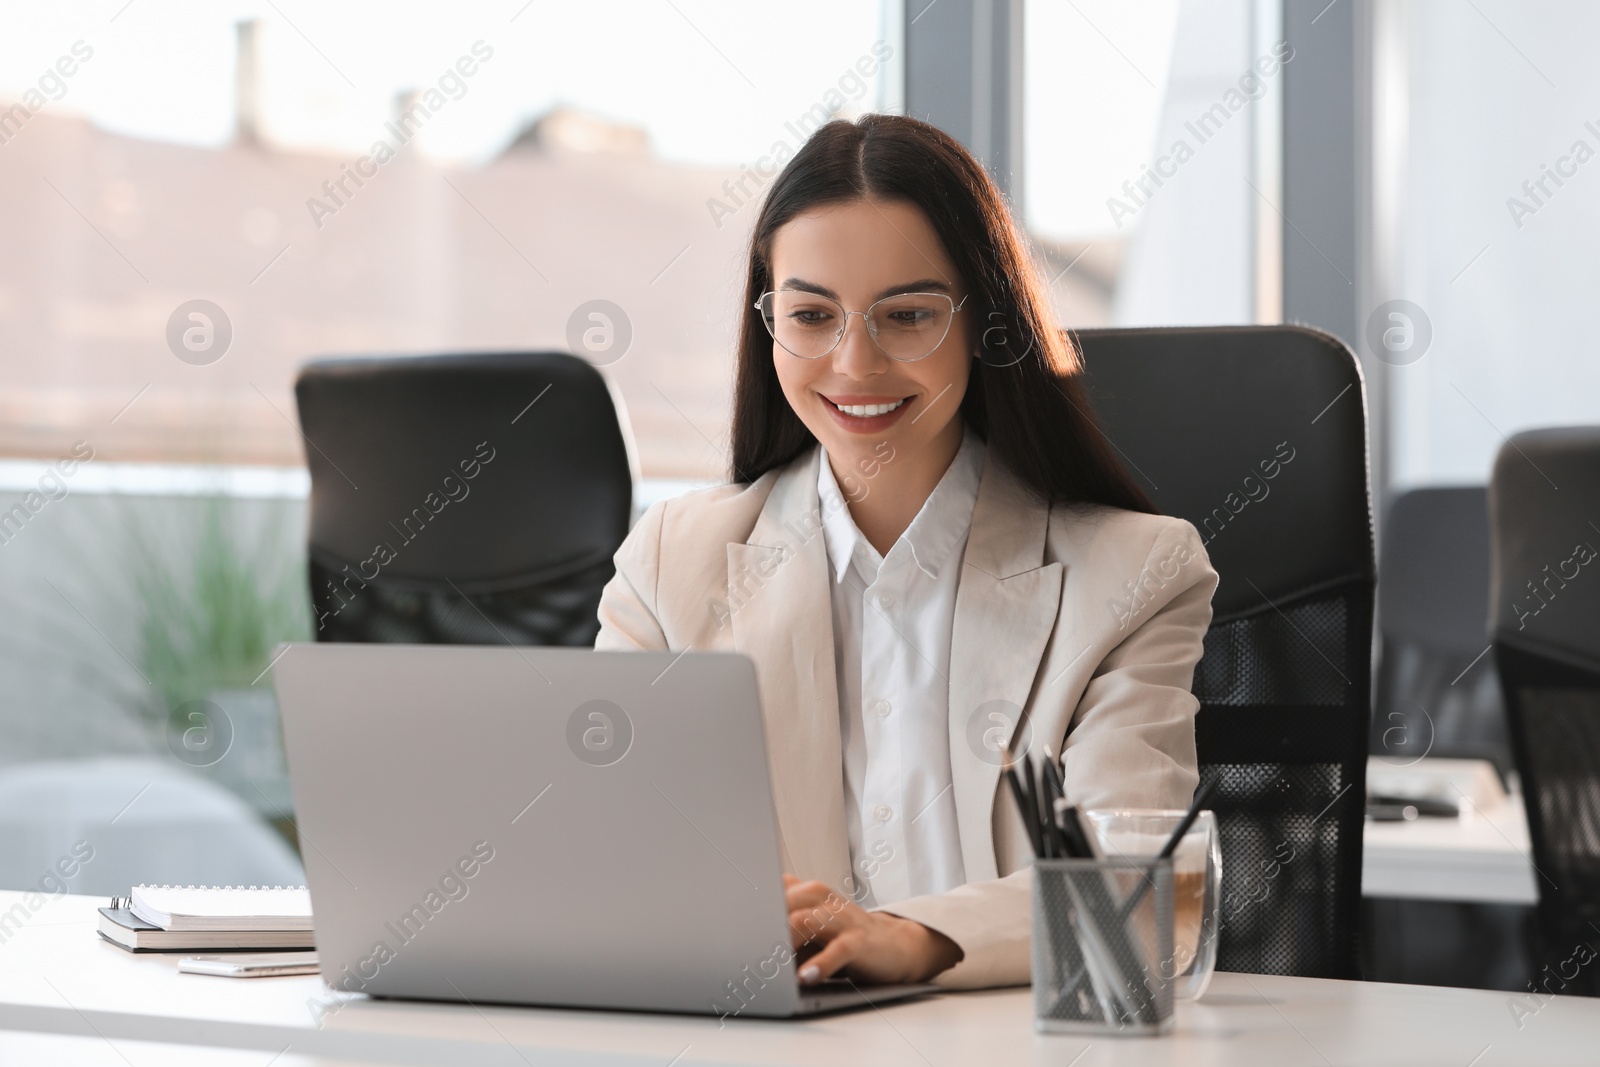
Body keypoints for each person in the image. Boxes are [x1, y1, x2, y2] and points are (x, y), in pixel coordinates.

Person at [595, 114, 1217, 990]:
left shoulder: (1132, 576)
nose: (854, 361)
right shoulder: (671, 564)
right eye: (811, 315)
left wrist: (913, 937)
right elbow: (604, 863)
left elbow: (1142, 895)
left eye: (909, 314)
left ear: (982, 323)